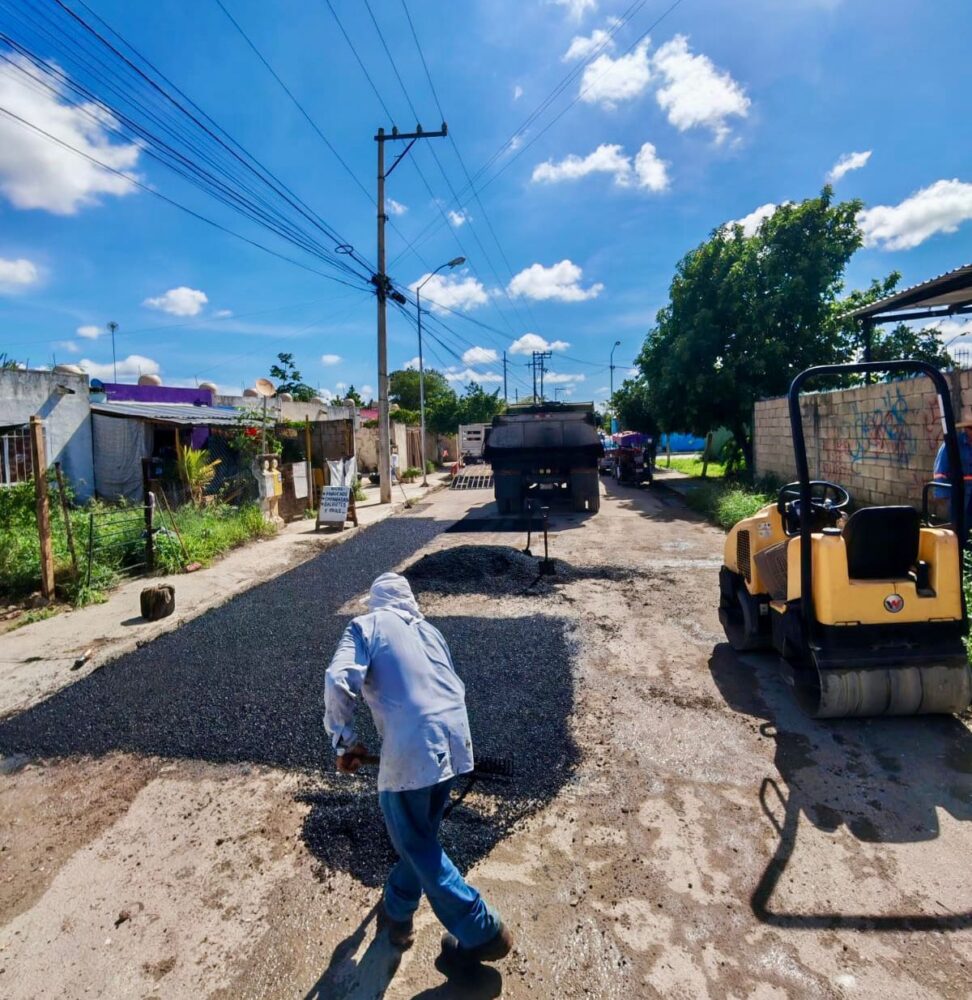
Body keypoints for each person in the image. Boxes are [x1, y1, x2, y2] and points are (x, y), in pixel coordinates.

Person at [324, 572, 514, 965]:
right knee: (419, 840)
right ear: (410, 601)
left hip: (412, 751)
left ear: (376, 602)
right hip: (454, 741)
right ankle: (397, 915)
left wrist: (343, 743)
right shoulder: (431, 631)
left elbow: (339, 679)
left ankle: (483, 930)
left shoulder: (365, 625)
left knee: (418, 845)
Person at [932, 418, 972, 534]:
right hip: (960, 492)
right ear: (966, 429)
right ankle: (958, 548)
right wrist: (943, 493)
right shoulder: (953, 444)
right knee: (960, 525)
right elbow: (940, 469)